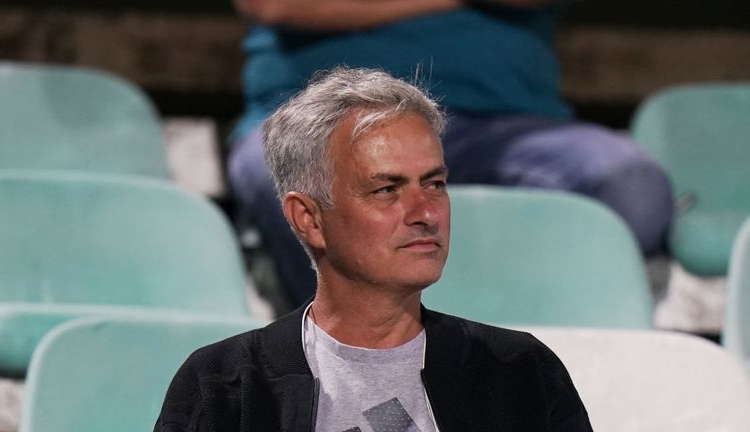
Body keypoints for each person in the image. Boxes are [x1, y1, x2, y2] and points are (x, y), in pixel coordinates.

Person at [155, 68, 592, 431]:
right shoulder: (224, 387)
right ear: (308, 218)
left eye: (434, 184)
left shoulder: (521, 373)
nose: (425, 212)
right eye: (386, 189)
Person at [227, 0, 674, 311]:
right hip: (322, 116)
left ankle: (516, 359)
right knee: (277, 171)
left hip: (506, 118)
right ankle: (340, 360)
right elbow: (277, 5)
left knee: (630, 184)